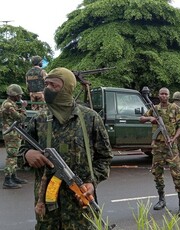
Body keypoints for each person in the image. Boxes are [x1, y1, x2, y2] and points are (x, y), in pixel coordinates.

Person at [19, 67, 113, 229]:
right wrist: (27, 154)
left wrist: (92, 182)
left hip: (80, 207)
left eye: (54, 85)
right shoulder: (39, 120)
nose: (47, 89)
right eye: (46, 84)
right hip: (48, 211)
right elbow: (20, 154)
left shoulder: (90, 118)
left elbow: (104, 158)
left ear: (67, 88)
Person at [140, 87, 180, 217]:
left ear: (169, 95)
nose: (164, 96)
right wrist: (150, 119)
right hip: (158, 148)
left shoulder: (175, 108)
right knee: (157, 174)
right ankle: (161, 200)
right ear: (159, 95)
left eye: (166, 94)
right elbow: (141, 119)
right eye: (162, 94)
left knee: (177, 175)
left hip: (171, 147)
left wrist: (173, 138)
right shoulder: (154, 109)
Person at [1, 84, 28, 189]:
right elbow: (20, 118)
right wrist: (24, 108)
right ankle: (8, 180)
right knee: (12, 156)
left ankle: (13, 176)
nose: (20, 97)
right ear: (14, 95)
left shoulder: (9, 103)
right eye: (19, 95)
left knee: (14, 155)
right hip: (11, 133)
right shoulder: (9, 105)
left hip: (12, 132)